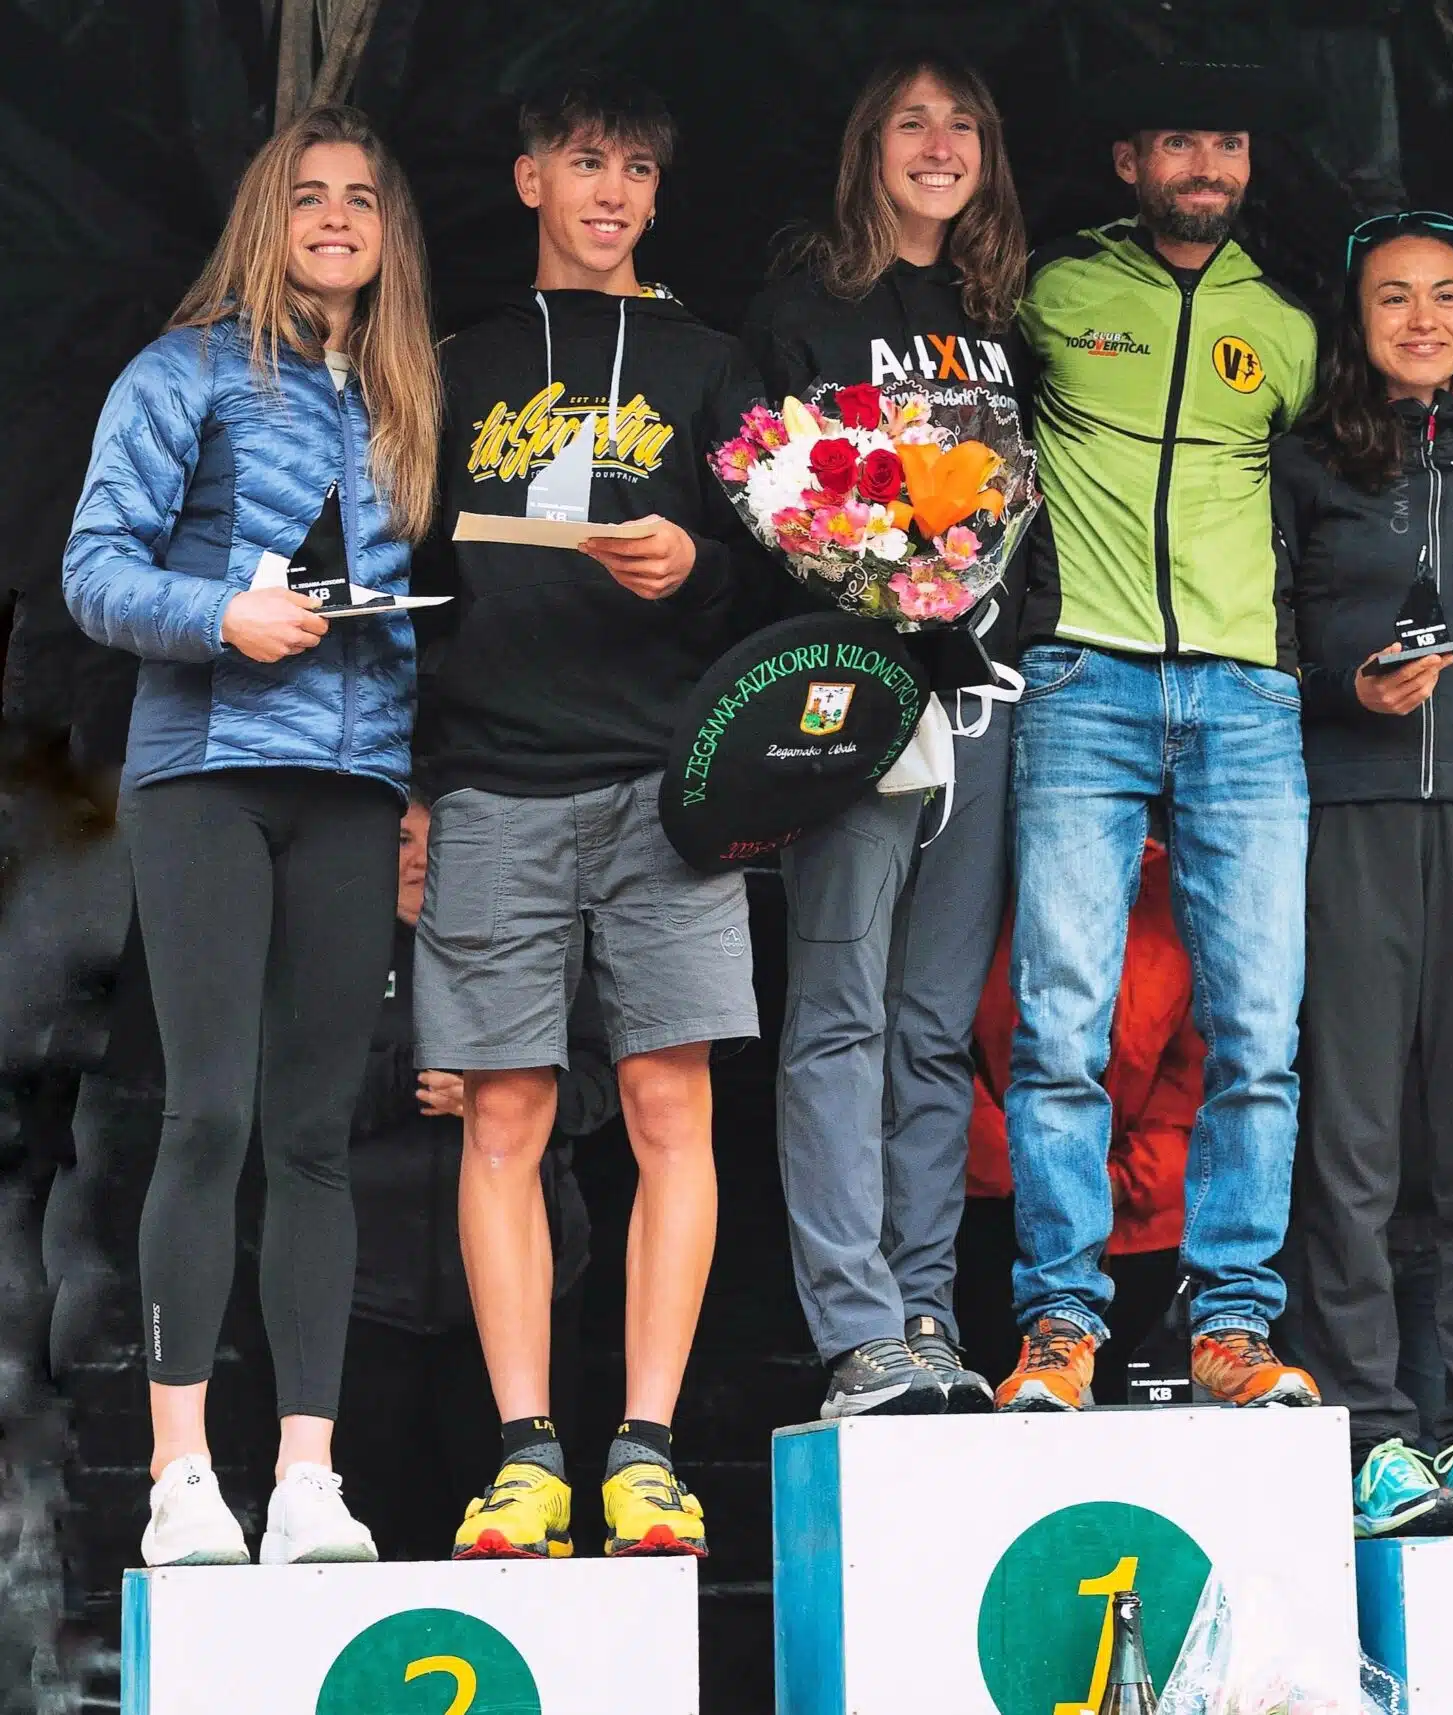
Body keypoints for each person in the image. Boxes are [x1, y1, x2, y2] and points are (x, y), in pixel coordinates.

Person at [62, 104, 441, 1566]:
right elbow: (95, 566)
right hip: (207, 772)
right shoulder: (185, 370)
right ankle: (180, 1475)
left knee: (313, 1135)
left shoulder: (406, 394)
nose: (337, 217)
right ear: (263, 220)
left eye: (362, 196)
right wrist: (224, 612)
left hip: (353, 786)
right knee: (210, 1112)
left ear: (391, 231)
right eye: (308, 195)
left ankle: (306, 1480)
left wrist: (414, 775)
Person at [412, 72, 764, 1560]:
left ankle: (647, 1451)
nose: (609, 190)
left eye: (633, 168)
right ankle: (523, 1457)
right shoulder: (454, 360)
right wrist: (413, 785)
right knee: (504, 1114)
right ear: (528, 180)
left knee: (674, 1110)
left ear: (657, 197)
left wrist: (696, 565)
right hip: (492, 776)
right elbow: (405, 579)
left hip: (662, 786)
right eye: (582, 161)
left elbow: (778, 576)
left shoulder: (708, 361)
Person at [997, 62, 1320, 1412]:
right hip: (1086, 675)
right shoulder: (1050, 291)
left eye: (1226, 142)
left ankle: (1232, 1320)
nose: (1206, 165)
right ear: (1129, 160)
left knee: (1258, 1030)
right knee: (1060, 1023)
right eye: (1179, 140)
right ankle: (1058, 1322)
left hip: (1246, 694)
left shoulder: (1289, 324)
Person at [738, 57, 1032, 1418]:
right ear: (869, 144)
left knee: (932, 1026)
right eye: (912, 120)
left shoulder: (1004, 315)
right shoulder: (807, 304)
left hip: (985, 704)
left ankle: (924, 1309)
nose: (939, 144)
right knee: (840, 1012)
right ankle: (854, 1325)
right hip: (854, 699)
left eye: (961, 123)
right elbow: (761, 494)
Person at [1274, 212, 1453, 1534]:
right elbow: (1262, 645)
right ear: (1356, 318)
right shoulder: (1302, 466)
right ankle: (1376, 1430)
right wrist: (1349, 688)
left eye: (1445, 295)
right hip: (1351, 814)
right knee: (1352, 1145)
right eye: (1394, 297)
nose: (1423, 318)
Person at [334, 797, 607, 1562]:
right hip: (365, 1305)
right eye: (400, 838)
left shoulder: (530, 946)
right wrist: (411, 1075)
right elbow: (289, 1100)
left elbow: (601, 1082)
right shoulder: (333, 951)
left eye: (439, 839)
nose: (420, 859)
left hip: (520, 1304)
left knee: (522, 1547)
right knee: (368, 1553)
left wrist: (499, 1098)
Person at [956, 837, 1201, 1400]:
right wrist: (1044, 1172)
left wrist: (1122, 1180)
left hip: (1140, 1221)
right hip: (1000, 1207)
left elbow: (1195, 1075)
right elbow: (944, 1053)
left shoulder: (1178, 893)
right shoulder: (992, 884)